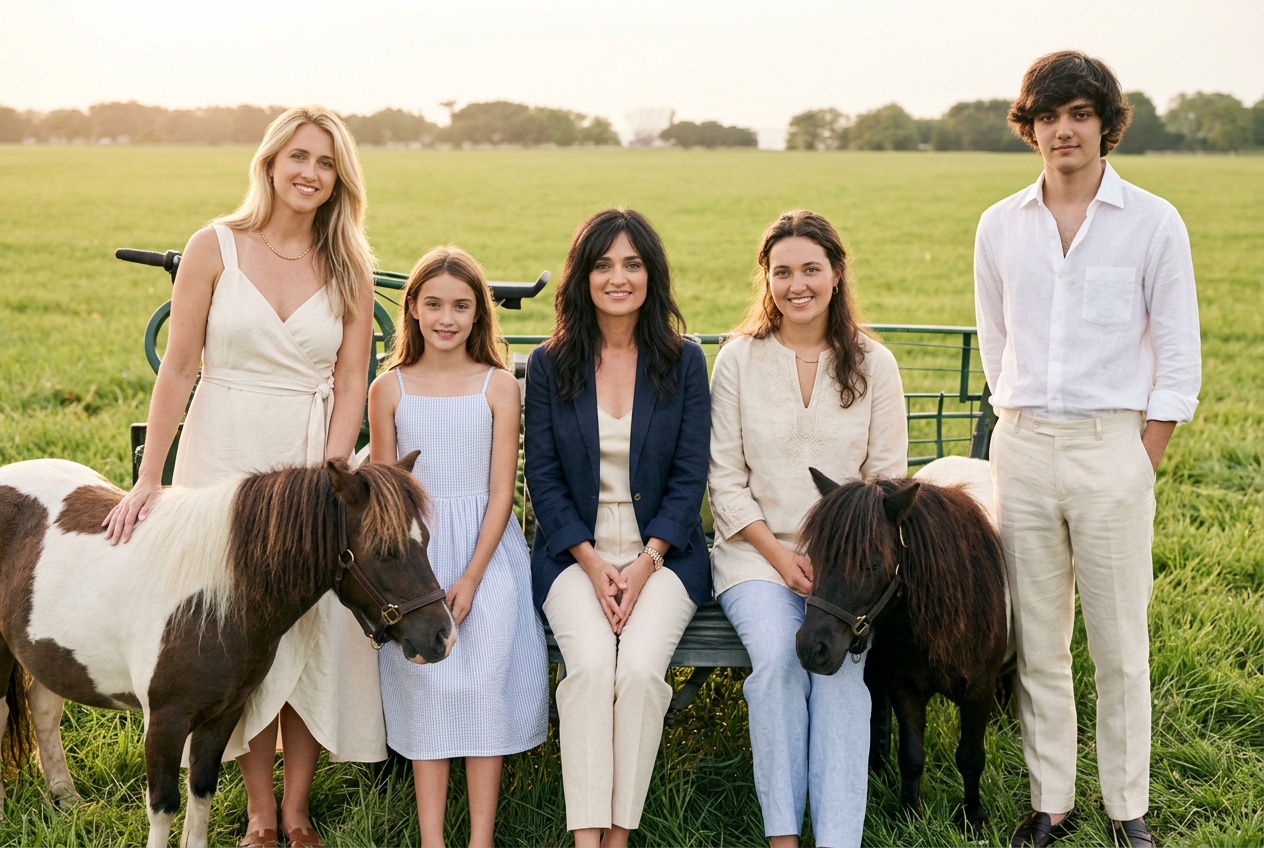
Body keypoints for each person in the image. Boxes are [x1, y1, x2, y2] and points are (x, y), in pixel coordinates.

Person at [103, 106, 379, 848]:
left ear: (340, 178)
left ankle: (297, 810)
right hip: (222, 447)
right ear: (269, 162)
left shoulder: (351, 265)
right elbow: (180, 366)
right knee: (233, 629)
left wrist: (332, 469)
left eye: (326, 162)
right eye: (298, 156)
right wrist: (149, 479)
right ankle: (257, 815)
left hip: (306, 456)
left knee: (309, 628)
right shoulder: (214, 245)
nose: (310, 173)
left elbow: (352, 380)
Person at [975, 51, 1201, 848]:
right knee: (1037, 640)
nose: (1062, 130)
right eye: (1046, 117)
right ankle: (1051, 803)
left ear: (1106, 123)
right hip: (1024, 448)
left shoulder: (1152, 221)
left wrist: (1142, 455)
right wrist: (1015, 428)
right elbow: (996, 341)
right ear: (1029, 128)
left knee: (1119, 645)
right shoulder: (1000, 224)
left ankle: (1126, 808)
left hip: (1114, 448)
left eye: (1078, 114)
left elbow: (1178, 357)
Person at [708, 210, 907, 848]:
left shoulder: (875, 365)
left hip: (847, 568)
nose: (798, 285)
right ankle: (783, 835)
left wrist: (838, 564)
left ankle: (839, 837)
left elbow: (886, 484)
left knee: (843, 679)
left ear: (836, 273)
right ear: (765, 279)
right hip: (754, 555)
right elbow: (726, 481)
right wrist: (779, 557)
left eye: (811, 270)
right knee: (777, 663)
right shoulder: (737, 359)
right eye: (782, 271)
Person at [524, 208, 711, 848]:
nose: (618, 277)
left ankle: (619, 831)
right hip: (572, 552)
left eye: (632, 264)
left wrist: (646, 560)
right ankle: (587, 836)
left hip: (665, 553)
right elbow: (542, 477)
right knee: (588, 672)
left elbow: (691, 476)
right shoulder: (550, 364)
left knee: (635, 674)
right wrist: (590, 558)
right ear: (583, 276)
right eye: (603, 264)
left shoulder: (684, 362)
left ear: (651, 275)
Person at [367, 246, 548, 848]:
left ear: (479, 315)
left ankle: (481, 838)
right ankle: (432, 839)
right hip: (414, 558)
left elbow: (502, 494)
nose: (447, 318)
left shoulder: (498, 387)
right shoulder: (389, 389)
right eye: (435, 304)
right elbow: (389, 501)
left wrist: (471, 577)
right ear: (412, 309)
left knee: (481, 683)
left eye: (462, 306)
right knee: (431, 685)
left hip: (486, 552)